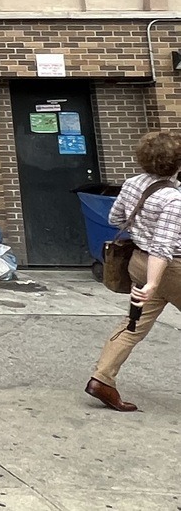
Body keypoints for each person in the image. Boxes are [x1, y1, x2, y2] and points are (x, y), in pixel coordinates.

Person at [87, 130, 181, 411]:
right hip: (168, 269)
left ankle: (101, 379)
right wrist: (154, 283)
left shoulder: (132, 184)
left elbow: (115, 218)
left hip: (137, 262)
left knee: (133, 325)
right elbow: (163, 247)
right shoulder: (173, 200)